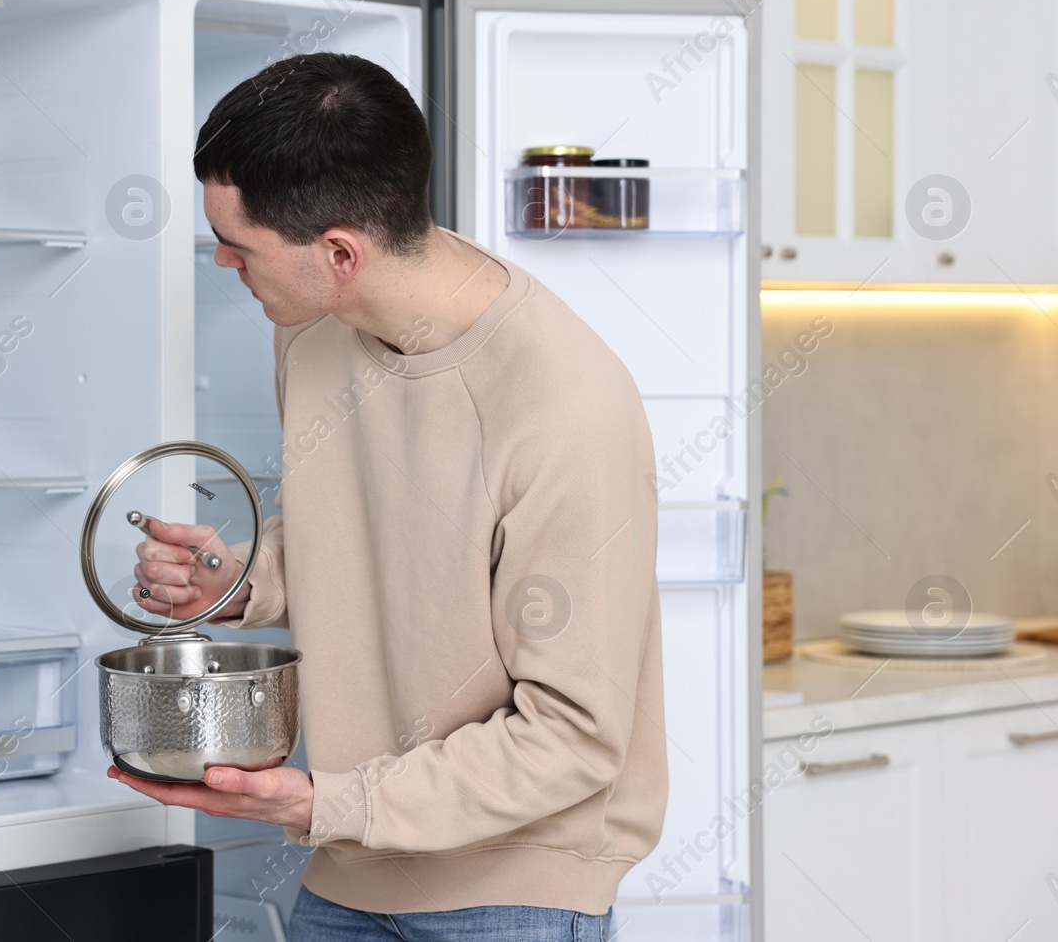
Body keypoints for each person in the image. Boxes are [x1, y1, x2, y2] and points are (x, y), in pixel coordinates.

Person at [107, 51, 665, 941]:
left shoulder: (567, 407)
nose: (222, 261)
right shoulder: (315, 330)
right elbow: (380, 532)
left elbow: (573, 736)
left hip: (515, 890)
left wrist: (327, 797)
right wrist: (244, 575)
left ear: (339, 253)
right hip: (351, 866)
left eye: (240, 245)